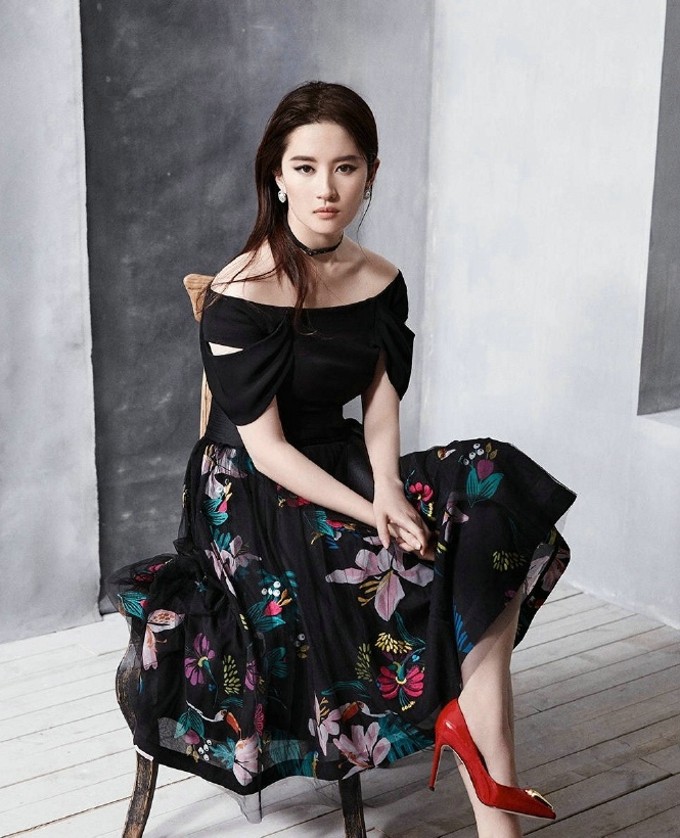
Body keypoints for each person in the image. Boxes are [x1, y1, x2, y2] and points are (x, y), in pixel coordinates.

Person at [109, 81, 576, 837]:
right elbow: (266, 449)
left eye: (345, 167)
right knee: (402, 564)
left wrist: (388, 488)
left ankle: (478, 740)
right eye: (305, 168)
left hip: (348, 463)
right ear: (277, 176)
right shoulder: (240, 291)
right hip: (253, 490)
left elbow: (381, 406)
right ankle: (492, 788)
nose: (326, 189)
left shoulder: (380, 280)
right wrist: (370, 512)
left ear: (370, 173)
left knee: (488, 492)